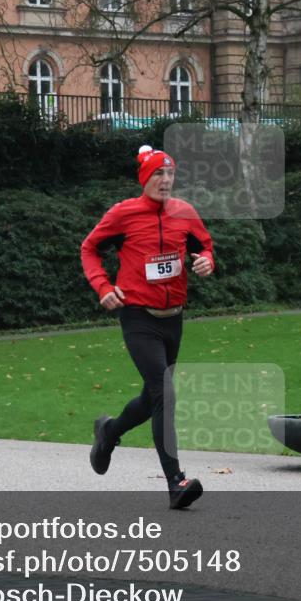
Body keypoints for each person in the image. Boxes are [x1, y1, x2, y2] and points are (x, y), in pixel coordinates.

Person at [81, 145, 215, 509]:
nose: (166, 180)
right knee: (164, 392)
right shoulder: (124, 214)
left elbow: (205, 246)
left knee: (151, 397)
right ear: (145, 178)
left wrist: (205, 261)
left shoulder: (185, 213)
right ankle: (176, 482)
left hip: (174, 317)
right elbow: (89, 249)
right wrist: (104, 287)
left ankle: (109, 431)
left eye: (170, 174)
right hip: (137, 316)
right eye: (158, 173)